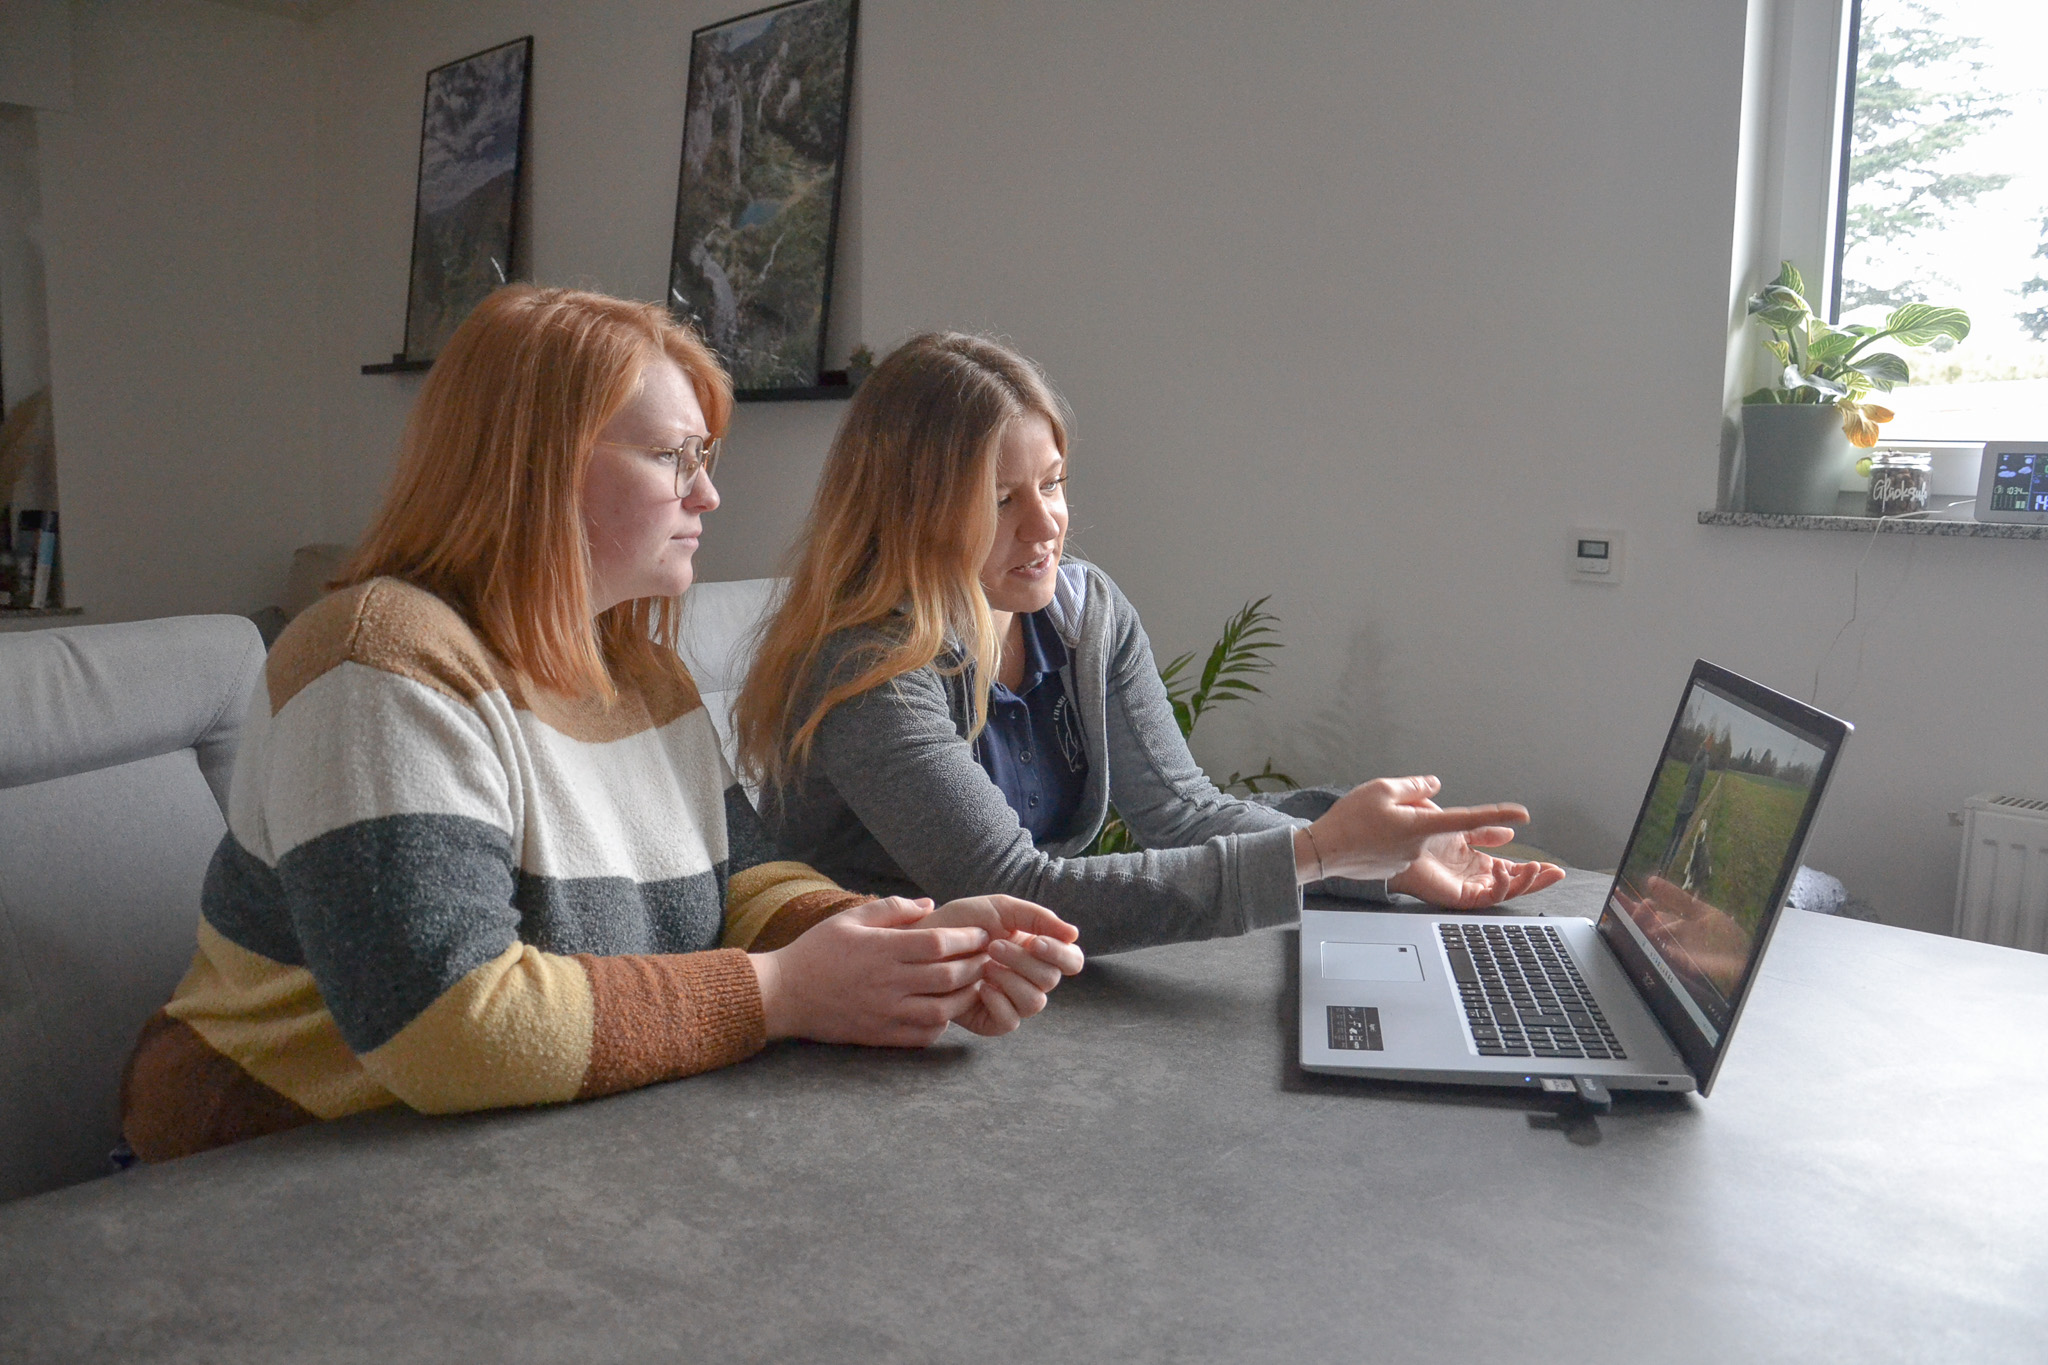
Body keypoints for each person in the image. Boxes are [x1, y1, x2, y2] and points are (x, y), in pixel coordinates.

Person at [120, 290, 1081, 1163]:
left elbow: (742, 875)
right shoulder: (376, 661)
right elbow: (451, 1025)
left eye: (705, 459)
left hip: (520, 1150)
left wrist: (891, 946)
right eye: (674, 457)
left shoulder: (632, 665)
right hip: (261, 1170)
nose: (707, 494)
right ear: (536, 464)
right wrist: (786, 991)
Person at [735, 332, 1565, 954]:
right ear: (911, 511)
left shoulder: (1088, 617)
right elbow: (1017, 887)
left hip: (1014, 984)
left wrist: (1380, 860)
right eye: (1000, 499)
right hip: (868, 1010)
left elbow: (1181, 811)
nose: (1047, 523)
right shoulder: (866, 666)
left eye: (1053, 483)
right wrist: (1321, 850)